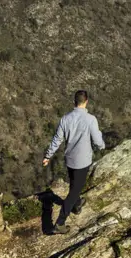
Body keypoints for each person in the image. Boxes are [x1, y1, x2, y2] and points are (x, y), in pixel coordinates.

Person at [42, 89, 105, 233]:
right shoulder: (91, 119)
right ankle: (60, 223)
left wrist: (48, 156)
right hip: (83, 161)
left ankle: (77, 204)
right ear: (86, 101)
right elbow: (97, 140)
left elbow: (57, 140)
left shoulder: (65, 119)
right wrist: (102, 145)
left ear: (74, 102)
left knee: (74, 185)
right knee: (75, 189)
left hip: (70, 159)